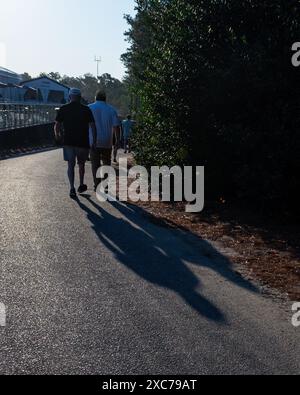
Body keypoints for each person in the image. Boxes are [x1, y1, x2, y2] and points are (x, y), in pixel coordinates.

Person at [54, 88, 97, 199]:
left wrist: (57, 135)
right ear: (80, 97)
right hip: (83, 142)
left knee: (70, 165)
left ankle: (72, 188)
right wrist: (94, 141)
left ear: (69, 97)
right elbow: (93, 126)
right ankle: (81, 184)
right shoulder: (86, 109)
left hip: (68, 142)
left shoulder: (63, 109)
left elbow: (57, 125)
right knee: (81, 164)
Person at [88, 90, 121, 190]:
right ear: (105, 98)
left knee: (95, 164)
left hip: (93, 141)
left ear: (95, 97)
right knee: (106, 163)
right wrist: (117, 140)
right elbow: (116, 127)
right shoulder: (111, 109)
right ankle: (105, 185)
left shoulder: (89, 108)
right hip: (107, 141)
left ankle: (96, 184)